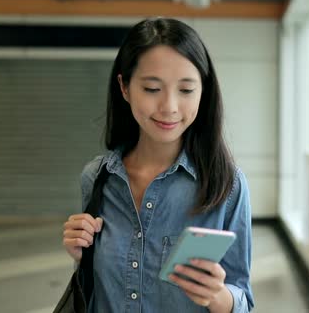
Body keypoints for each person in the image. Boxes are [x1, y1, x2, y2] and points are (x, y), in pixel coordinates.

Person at [61, 17, 254, 313]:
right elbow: (97, 291)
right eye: (152, 89)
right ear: (124, 87)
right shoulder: (97, 178)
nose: (169, 107)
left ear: (204, 91)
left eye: (186, 90)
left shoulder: (226, 185)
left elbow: (243, 300)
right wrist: (81, 256)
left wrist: (217, 296)